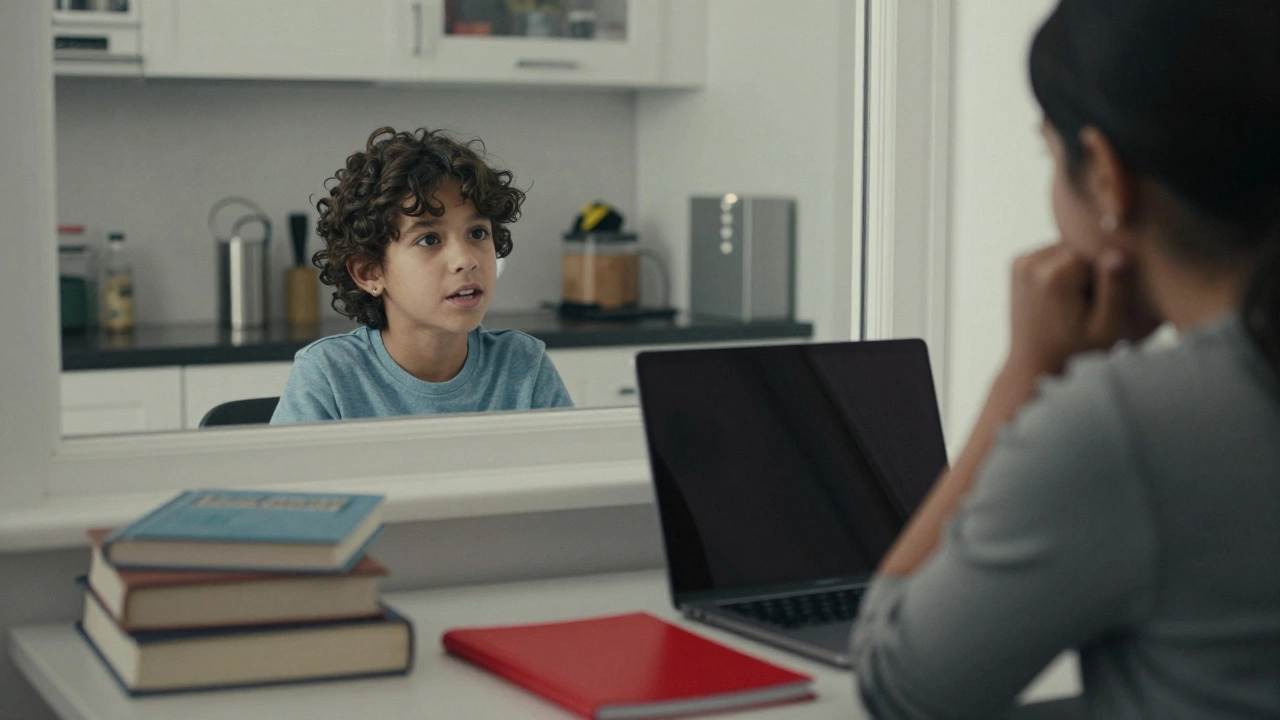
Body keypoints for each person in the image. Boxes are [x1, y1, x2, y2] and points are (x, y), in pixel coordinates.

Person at [850, 0, 1280, 718]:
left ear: (1108, 176)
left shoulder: (1129, 426)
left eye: (1049, 154)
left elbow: (898, 686)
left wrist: (1025, 374)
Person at [271, 127, 573, 424]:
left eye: (477, 233)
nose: (466, 260)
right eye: (429, 239)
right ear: (369, 272)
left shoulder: (524, 365)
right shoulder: (328, 375)